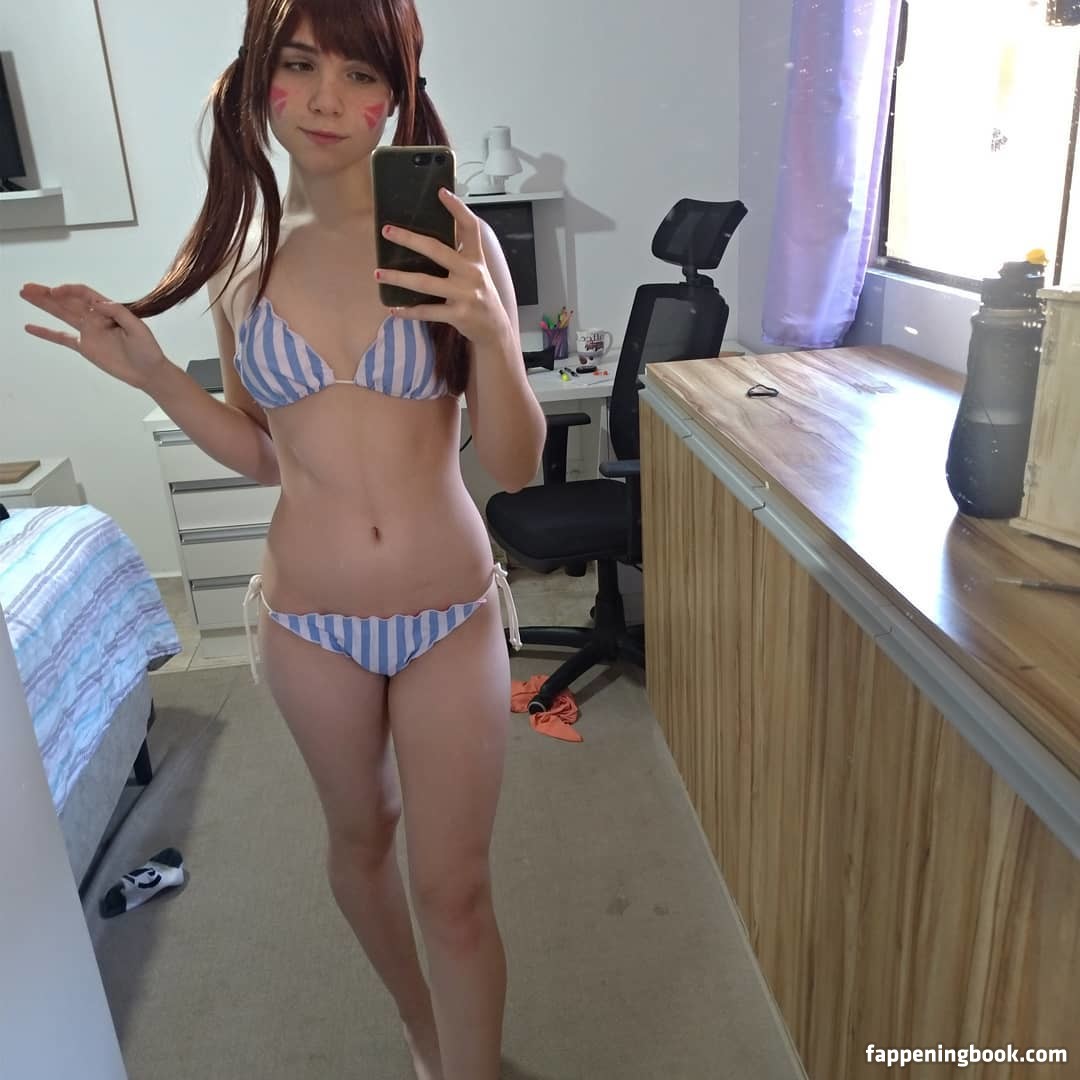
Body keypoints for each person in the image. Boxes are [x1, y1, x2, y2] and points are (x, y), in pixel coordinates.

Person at [20, 2, 547, 1078]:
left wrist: (493, 334)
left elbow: (519, 463)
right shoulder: (242, 260)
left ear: (396, 95)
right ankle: (422, 1031)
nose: (325, 101)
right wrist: (155, 376)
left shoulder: (455, 241)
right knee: (361, 842)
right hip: (309, 623)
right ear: (258, 74)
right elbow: (267, 455)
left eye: (361, 74)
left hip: (450, 613)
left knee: (455, 888)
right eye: (300, 65)